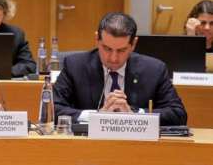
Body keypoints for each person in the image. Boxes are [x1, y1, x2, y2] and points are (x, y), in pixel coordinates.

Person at [53, 12, 187, 126]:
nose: (113, 58)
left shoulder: (154, 70)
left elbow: (178, 114)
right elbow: (52, 109)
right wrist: (96, 116)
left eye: (121, 50)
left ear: (133, 44)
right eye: (107, 49)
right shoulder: (75, 66)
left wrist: (134, 115)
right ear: (97, 40)